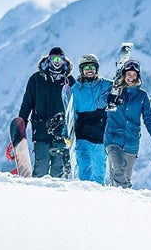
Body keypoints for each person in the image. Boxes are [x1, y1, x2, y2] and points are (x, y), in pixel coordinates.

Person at [104, 59, 151, 188]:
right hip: (113, 138)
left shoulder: (142, 96)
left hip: (132, 141)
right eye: (128, 74)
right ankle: (125, 198)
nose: (131, 77)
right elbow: (99, 101)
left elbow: (149, 119)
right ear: (124, 75)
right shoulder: (114, 90)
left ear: (138, 76)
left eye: (134, 74)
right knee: (119, 167)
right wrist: (109, 99)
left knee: (125, 176)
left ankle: (116, 199)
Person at [18, 46, 75, 177]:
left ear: (64, 61)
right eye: (54, 58)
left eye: (60, 59)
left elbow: (74, 106)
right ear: (48, 60)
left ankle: (56, 195)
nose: (56, 62)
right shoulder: (36, 79)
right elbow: (27, 103)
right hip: (41, 129)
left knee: (57, 167)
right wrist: (21, 124)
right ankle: (35, 193)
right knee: (41, 164)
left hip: (61, 131)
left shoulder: (69, 81)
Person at [71, 53, 113, 184]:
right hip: (83, 135)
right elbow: (71, 114)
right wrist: (67, 132)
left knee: (100, 170)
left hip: (101, 135)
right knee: (84, 168)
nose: (89, 70)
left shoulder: (106, 85)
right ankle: (84, 197)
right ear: (81, 70)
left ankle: (98, 199)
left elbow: (123, 89)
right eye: (86, 67)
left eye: (92, 67)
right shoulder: (75, 90)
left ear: (97, 69)